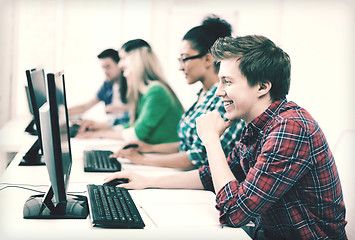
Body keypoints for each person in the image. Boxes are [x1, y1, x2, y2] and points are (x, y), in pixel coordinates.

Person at [104, 35, 347, 239]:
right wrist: (146, 181)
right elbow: (210, 175)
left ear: (262, 87)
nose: (219, 92)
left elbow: (235, 213)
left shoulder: (290, 129)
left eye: (227, 82)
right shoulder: (258, 123)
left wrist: (211, 140)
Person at [111, 16, 245, 169]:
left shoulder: (222, 100)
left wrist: (143, 159)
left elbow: (196, 158)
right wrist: (148, 148)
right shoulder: (203, 95)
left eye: (184, 59)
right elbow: (186, 145)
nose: (181, 67)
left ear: (207, 59)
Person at [77, 39, 185, 145]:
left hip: (165, 155)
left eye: (123, 59)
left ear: (136, 63)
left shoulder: (156, 91)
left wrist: (99, 134)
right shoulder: (146, 92)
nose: (120, 65)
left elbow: (136, 134)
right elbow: (133, 126)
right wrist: (100, 128)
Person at [69, 48, 129, 127]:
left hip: (125, 127)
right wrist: (64, 112)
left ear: (119, 64)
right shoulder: (107, 85)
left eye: (108, 67)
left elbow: (140, 106)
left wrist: (121, 108)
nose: (105, 71)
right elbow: (85, 106)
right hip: (112, 126)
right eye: (103, 67)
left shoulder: (130, 82)